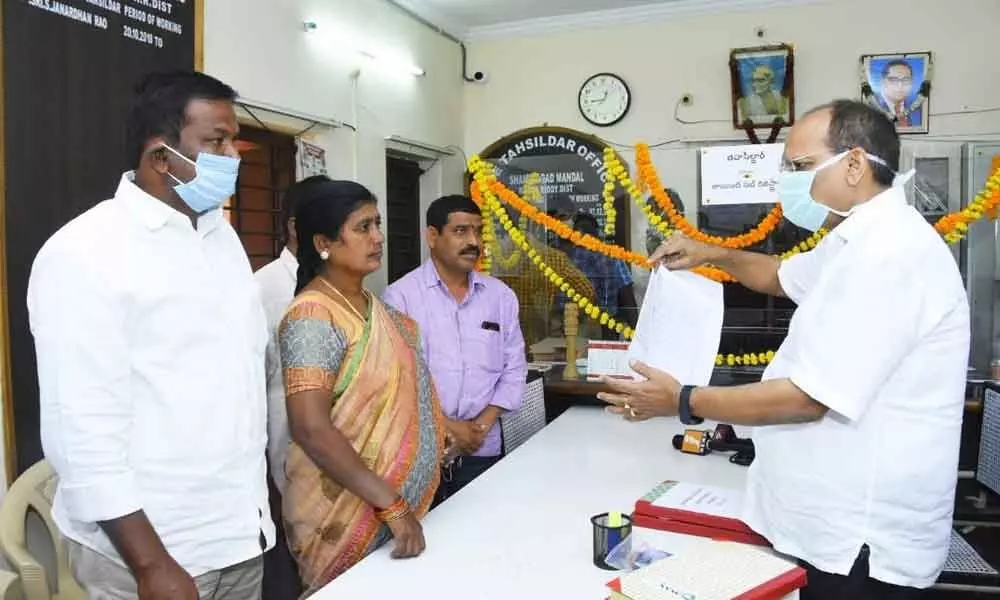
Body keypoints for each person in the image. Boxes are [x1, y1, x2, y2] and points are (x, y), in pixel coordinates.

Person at [599, 99, 969, 599]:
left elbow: (808, 397)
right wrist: (715, 253)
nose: (789, 183)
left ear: (855, 164)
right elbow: (779, 277)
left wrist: (682, 400)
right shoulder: (853, 240)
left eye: (801, 167)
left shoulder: (889, 254)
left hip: (861, 543)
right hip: (825, 522)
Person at [27, 71, 274, 599]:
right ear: (161, 156)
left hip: (236, 534)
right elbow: (82, 433)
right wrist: (150, 565)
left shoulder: (220, 237)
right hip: (155, 552)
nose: (234, 155)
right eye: (216, 142)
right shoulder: (86, 253)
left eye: (233, 140)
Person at [278, 179, 444, 594]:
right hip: (339, 513)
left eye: (378, 224)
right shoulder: (313, 316)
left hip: (392, 505)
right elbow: (310, 428)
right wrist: (389, 504)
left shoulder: (376, 310)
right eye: (363, 228)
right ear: (324, 242)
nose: (378, 237)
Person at [383, 195, 528, 502]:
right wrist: (449, 428)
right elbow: (399, 379)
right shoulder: (401, 297)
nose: (473, 241)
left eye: (478, 231)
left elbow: (514, 367)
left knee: (483, 539)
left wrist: (479, 428)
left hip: (483, 449)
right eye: (461, 231)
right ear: (433, 237)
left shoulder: (500, 297)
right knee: (426, 542)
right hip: (422, 454)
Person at [255, 176, 330, 600]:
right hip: (285, 464)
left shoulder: (337, 282)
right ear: (296, 227)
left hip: (338, 463)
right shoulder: (265, 288)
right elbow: (258, 386)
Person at [566, 212, 637, 332]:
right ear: (597, 232)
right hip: (608, 324)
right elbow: (627, 296)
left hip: (575, 324)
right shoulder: (613, 256)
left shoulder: (568, 257)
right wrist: (636, 332)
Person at [872, 60, 923, 128]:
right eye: (893, 80)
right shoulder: (872, 107)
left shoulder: (918, 110)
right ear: (883, 82)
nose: (900, 85)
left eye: (906, 80)